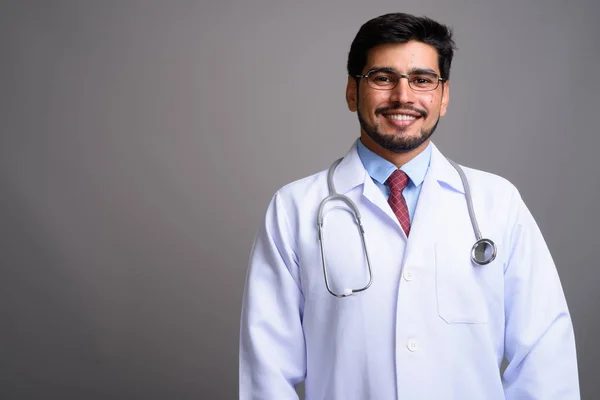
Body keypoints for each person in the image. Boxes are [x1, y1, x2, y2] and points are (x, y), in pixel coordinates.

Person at [239, 12, 580, 399]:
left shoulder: (498, 204)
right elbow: (266, 372)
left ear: (444, 96)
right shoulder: (294, 209)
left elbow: (545, 356)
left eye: (422, 80)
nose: (403, 96)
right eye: (383, 78)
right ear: (352, 91)